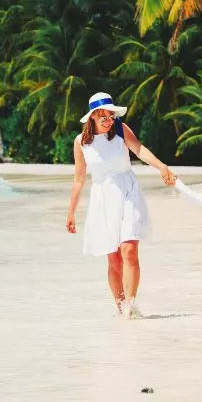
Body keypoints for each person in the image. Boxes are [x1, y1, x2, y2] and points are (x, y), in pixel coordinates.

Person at [66, 92, 176, 319]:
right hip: (102, 197)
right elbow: (79, 179)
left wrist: (161, 166)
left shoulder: (120, 129)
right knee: (113, 257)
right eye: (103, 116)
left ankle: (131, 306)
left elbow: (139, 150)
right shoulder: (81, 142)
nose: (108, 120)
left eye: (111, 114)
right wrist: (71, 213)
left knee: (129, 249)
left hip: (127, 190)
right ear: (93, 117)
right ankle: (121, 306)